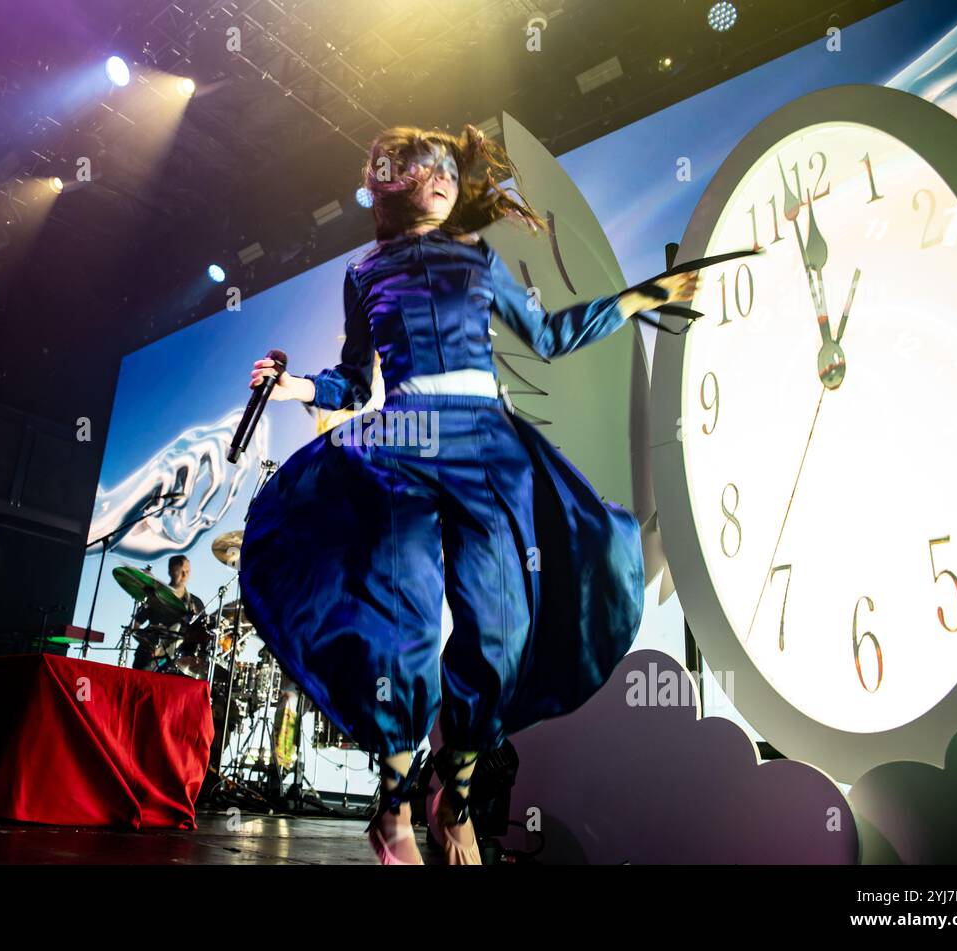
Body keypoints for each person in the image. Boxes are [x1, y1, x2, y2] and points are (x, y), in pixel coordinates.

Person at [239, 124, 699, 864]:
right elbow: (353, 382)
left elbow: (547, 336)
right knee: (407, 627)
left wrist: (642, 297)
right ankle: (391, 812)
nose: (445, 176)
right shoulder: (363, 274)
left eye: (450, 167)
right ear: (395, 185)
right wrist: (291, 384)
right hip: (405, 443)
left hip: (487, 446)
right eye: (427, 168)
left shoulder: (478, 258)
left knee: (500, 634)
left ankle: (451, 795)